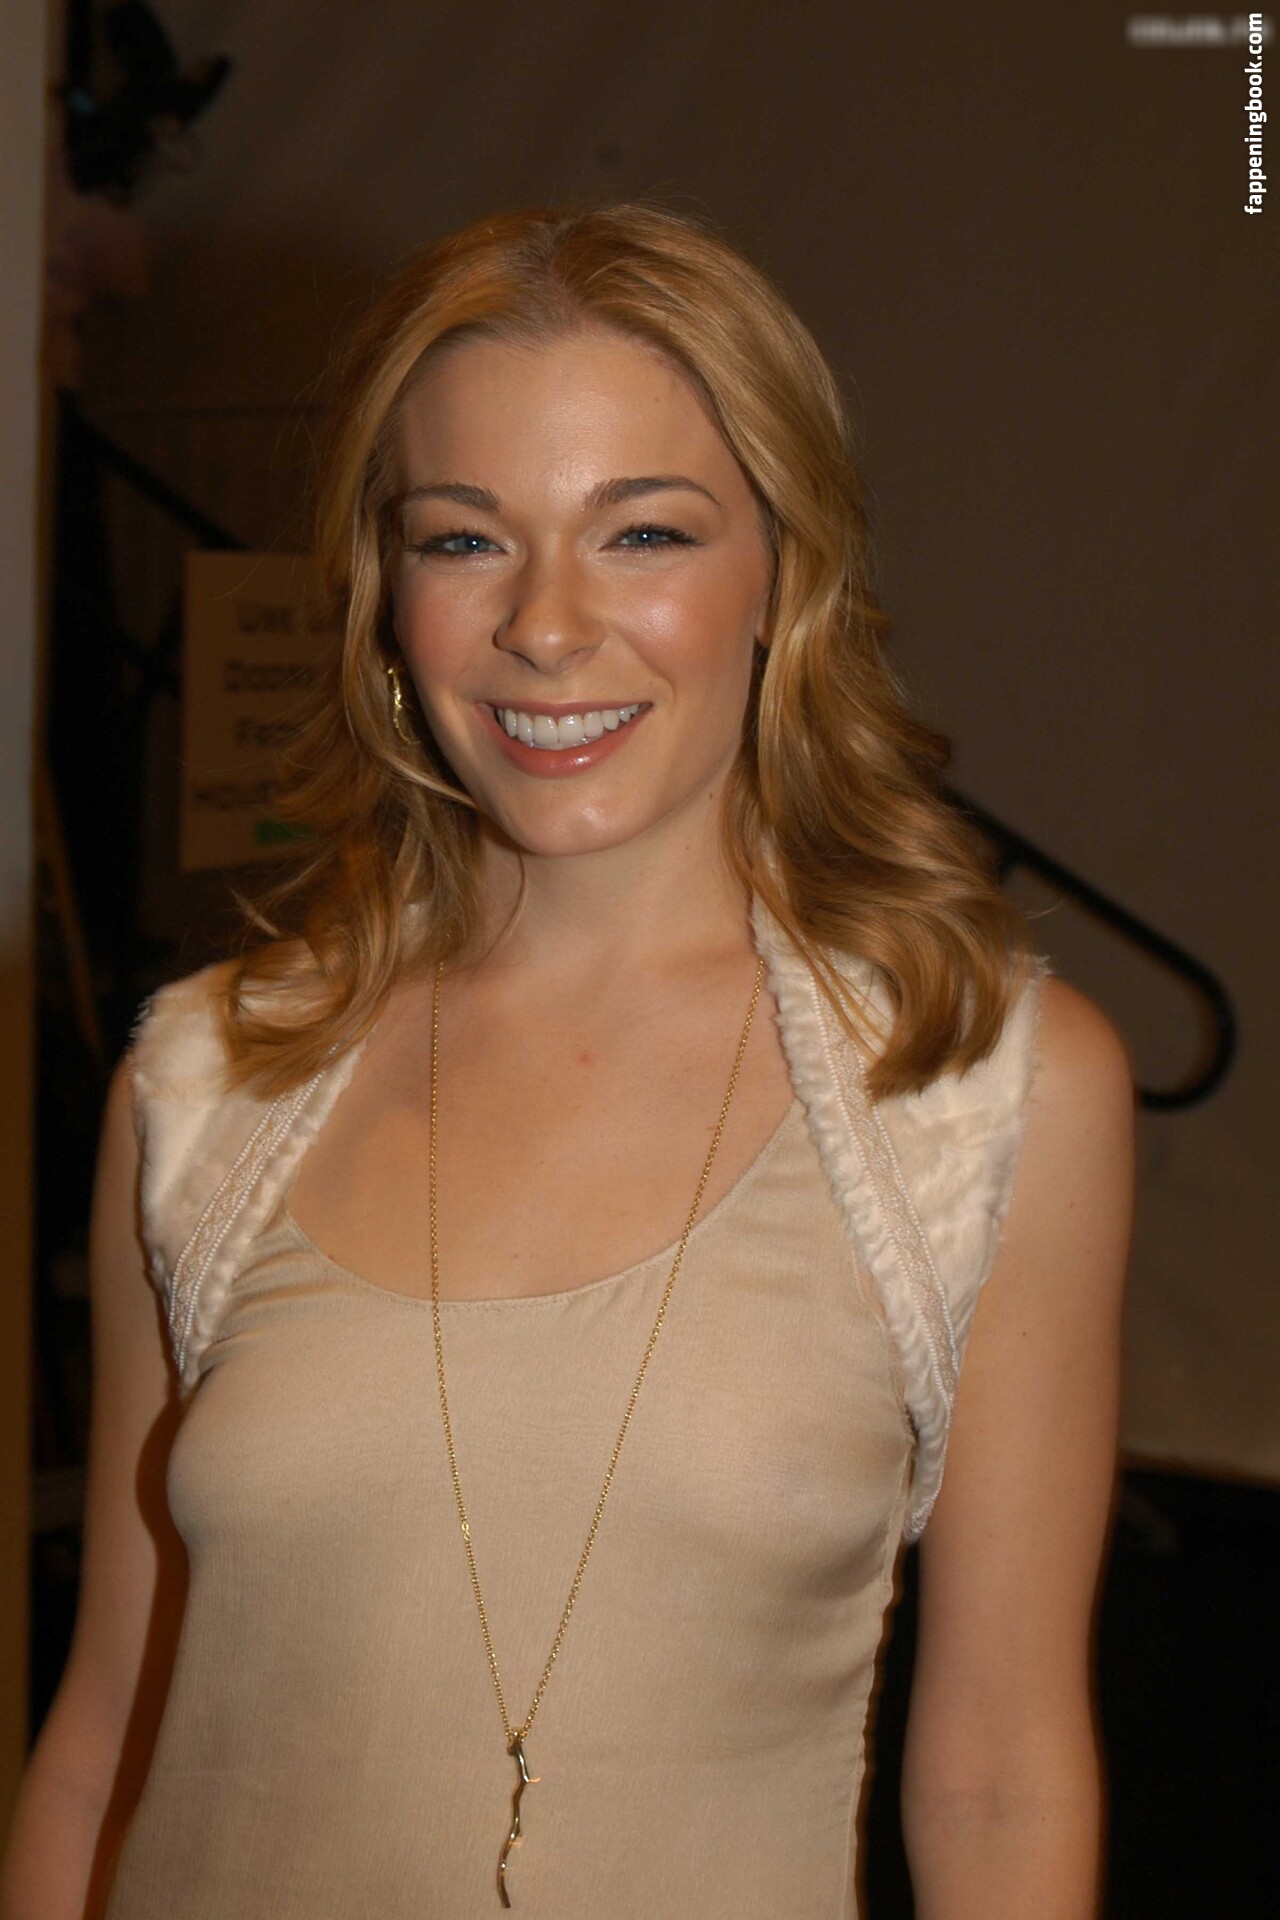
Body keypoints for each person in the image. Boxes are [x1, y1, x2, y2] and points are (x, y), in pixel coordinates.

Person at [1, 201, 1134, 1920]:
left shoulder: (982, 1088)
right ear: (385, 595)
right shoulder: (207, 1082)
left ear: (787, 568)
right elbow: (107, 1734)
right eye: (464, 539)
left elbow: (997, 1778)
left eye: (644, 533)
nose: (545, 623)